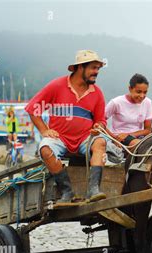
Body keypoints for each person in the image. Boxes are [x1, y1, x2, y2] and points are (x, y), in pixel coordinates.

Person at [25, 50, 107, 203]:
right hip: (59, 138)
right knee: (45, 149)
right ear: (80, 68)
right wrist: (44, 130)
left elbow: (101, 120)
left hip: (84, 138)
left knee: (100, 142)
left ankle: (94, 190)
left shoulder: (97, 93)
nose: (96, 72)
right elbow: (33, 108)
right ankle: (67, 192)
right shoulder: (57, 85)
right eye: (93, 68)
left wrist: (98, 126)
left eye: (98, 68)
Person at [105, 73, 152, 149]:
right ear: (130, 88)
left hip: (138, 137)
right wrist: (113, 137)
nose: (142, 96)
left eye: (145, 92)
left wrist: (129, 134)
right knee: (139, 146)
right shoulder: (116, 102)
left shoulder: (147, 102)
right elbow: (100, 122)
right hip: (120, 138)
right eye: (139, 92)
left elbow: (148, 130)